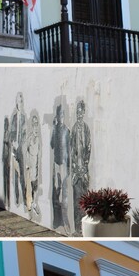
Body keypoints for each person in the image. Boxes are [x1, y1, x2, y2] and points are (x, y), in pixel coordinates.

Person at [70, 99, 91, 231]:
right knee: (76, 199)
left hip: (84, 170)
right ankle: (77, 227)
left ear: (83, 113)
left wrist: (85, 165)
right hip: (75, 170)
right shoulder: (73, 129)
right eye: (77, 112)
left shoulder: (86, 129)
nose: (79, 115)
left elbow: (88, 147)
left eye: (81, 112)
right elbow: (72, 148)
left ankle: (83, 226)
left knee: (84, 198)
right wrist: (74, 167)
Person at [50, 104, 69, 230]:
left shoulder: (66, 130)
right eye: (59, 114)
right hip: (56, 163)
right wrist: (53, 128)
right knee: (56, 191)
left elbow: (69, 147)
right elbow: (52, 144)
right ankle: (57, 220)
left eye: (62, 114)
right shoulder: (55, 129)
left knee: (64, 193)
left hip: (64, 164)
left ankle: (64, 220)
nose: (61, 117)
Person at [10, 94, 26, 208]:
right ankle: (16, 198)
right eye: (18, 101)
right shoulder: (14, 117)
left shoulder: (25, 117)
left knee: (23, 175)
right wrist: (13, 144)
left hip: (23, 150)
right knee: (16, 175)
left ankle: (24, 198)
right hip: (15, 150)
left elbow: (25, 133)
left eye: (21, 101)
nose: (20, 103)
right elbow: (12, 132)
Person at [24, 113, 42, 216]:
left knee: (36, 185)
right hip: (31, 165)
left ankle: (34, 202)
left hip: (37, 165)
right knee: (30, 185)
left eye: (37, 124)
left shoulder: (39, 139)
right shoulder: (30, 138)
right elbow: (25, 151)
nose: (36, 127)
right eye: (34, 125)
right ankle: (30, 203)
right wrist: (27, 164)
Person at [2, 116, 11, 208]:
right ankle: (5, 199)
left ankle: (8, 199)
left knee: (7, 179)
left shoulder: (8, 134)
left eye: (6, 124)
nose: (5, 125)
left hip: (8, 159)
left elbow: (9, 144)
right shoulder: (4, 133)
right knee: (5, 179)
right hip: (4, 159)